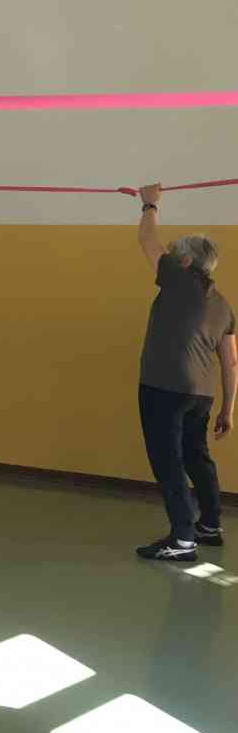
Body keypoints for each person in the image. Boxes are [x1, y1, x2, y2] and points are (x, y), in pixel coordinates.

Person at [131, 183, 235, 562]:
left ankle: (182, 539)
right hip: (200, 396)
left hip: (164, 389)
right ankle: (210, 525)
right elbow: (231, 361)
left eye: (176, 254)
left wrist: (149, 204)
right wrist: (228, 409)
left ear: (187, 262)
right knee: (195, 456)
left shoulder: (178, 278)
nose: (170, 257)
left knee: (168, 462)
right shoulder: (222, 305)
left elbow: (148, 242)